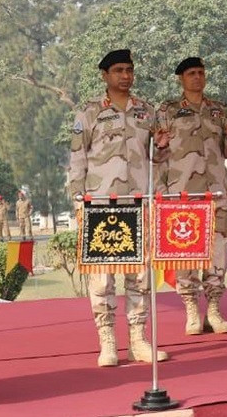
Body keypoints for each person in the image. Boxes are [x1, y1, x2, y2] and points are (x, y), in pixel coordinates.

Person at [68, 49, 169, 367]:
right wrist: (77, 201)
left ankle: (138, 340)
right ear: (105, 75)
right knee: (102, 278)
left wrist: (163, 148)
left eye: (129, 70)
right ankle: (107, 341)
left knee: (140, 277)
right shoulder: (88, 113)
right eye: (118, 70)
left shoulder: (147, 111)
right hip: (99, 204)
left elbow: (158, 159)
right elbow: (77, 159)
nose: (125, 75)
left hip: (139, 204)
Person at [155, 57, 227, 335]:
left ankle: (214, 309)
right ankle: (191, 310)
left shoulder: (218, 110)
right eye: (191, 73)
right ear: (181, 78)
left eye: (201, 73)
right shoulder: (167, 111)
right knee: (186, 254)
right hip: (183, 195)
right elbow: (156, 154)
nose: (197, 78)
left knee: (219, 251)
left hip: (216, 192)